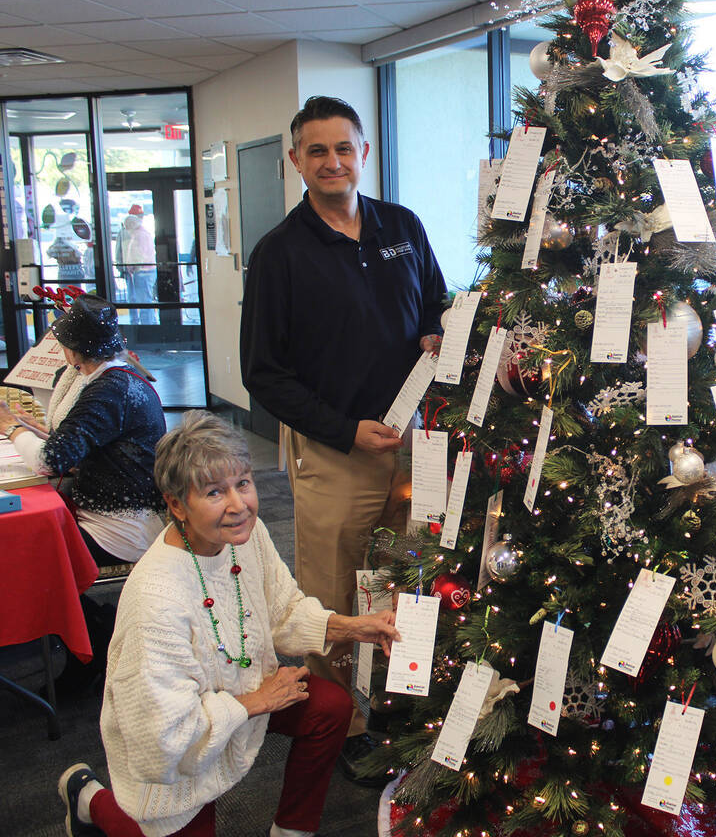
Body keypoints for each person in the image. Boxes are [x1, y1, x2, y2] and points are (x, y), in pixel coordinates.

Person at [56, 410, 401, 837]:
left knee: (330, 708)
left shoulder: (245, 535)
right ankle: (89, 799)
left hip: (240, 696)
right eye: (215, 492)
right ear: (176, 504)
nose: (239, 505)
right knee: (162, 819)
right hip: (177, 751)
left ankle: (292, 828)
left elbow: (283, 609)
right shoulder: (156, 600)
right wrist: (254, 703)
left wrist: (354, 627)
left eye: (243, 483)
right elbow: (162, 742)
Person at [239, 95, 446, 782]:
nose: (333, 161)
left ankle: (401, 699)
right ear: (297, 161)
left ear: (363, 153)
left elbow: (437, 306)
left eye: (344, 148)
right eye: (317, 150)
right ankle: (343, 722)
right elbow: (263, 374)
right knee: (332, 594)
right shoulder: (280, 254)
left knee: (407, 575)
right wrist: (342, 429)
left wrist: (440, 332)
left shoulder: (402, 226)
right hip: (334, 454)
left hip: (416, 444)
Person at [0, 294, 166, 692]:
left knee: (35, 566)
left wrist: (10, 425)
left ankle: (94, 643)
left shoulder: (108, 391)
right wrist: (34, 430)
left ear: (73, 350)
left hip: (123, 527)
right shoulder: (113, 380)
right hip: (116, 513)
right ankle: (94, 636)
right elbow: (78, 446)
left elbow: (49, 461)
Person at [116, 205, 157, 325]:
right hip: (136, 271)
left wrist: (126, 267)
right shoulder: (137, 232)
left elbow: (139, 255)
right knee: (138, 300)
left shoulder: (139, 234)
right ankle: (146, 323)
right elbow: (121, 251)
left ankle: (145, 325)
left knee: (140, 301)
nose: (141, 218)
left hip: (139, 271)